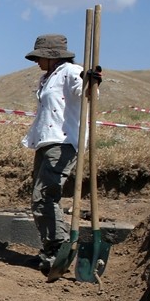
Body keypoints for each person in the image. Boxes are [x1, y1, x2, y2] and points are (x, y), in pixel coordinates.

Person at [21, 33, 100, 273]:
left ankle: (58, 247)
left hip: (63, 143)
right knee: (40, 197)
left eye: (39, 57)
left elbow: (87, 93)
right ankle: (50, 248)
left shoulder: (71, 72)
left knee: (44, 197)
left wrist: (91, 81)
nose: (36, 61)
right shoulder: (47, 78)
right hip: (47, 142)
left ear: (50, 56)